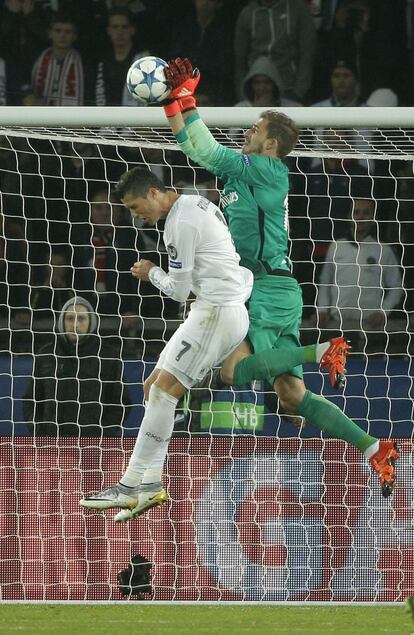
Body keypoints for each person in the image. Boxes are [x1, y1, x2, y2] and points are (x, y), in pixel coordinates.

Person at [156, 57, 399, 502]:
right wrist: (174, 103)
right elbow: (195, 147)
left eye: (254, 129)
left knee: (230, 373)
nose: (246, 132)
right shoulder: (240, 173)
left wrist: (184, 98)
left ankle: (321, 349)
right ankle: (373, 447)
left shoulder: (269, 170)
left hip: (265, 289)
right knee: (290, 396)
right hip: (279, 289)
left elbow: (205, 149)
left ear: (271, 144)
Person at [79, 167, 254, 517]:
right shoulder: (195, 204)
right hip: (211, 309)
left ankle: (129, 486)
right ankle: (151, 485)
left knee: (163, 393)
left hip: (217, 312)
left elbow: (179, 289)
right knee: (154, 387)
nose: (135, 214)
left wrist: (150, 272)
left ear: (155, 193)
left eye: (134, 206)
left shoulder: (179, 223)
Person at [23, 296, 131, 436]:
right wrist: (41, 432)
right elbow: (31, 400)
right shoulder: (46, 354)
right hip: (51, 444)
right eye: (70, 318)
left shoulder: (108, 356)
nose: (75, 325)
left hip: (93, 447)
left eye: (81, 318)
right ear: (62, 321)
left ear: (91, 322)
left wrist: (101, 434)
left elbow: (121, 403)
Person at [317, 197, 404, 330]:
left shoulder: (383, 250)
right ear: (349, 216)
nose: (360, 217)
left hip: (370, 326)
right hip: (337, 324)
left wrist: (383, 312)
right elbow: (325, 283)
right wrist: (322, 310)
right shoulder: (336, 246)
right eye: (356, 212)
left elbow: (397, 287)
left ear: (373, 218)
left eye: (366, 212)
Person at [234, 0, 317, 103]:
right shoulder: (247, 13)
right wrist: (242, 95)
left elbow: (307, 53)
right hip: (256, 90)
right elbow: (240, 57)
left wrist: (299, 91)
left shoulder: (299, 9)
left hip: (289, 88)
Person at [24, 12, 84, 106]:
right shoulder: (36, 58)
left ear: (74, 36)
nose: (62, 36)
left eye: (68, 32)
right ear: (50, 33)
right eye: (58, 31)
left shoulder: (83, 64)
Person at [93, 8, 149, 107]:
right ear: (109, 31)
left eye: (124, 27)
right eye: (115, 27)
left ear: (132, 30)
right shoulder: (101, 61)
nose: (120, 32)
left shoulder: (144, 60)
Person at [235, 56, 302, 107]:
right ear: (251, 85)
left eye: (267, 82)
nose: (262, 87)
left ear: (275, 84)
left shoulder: (294, 108)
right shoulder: (239, 109)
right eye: (257, 83)